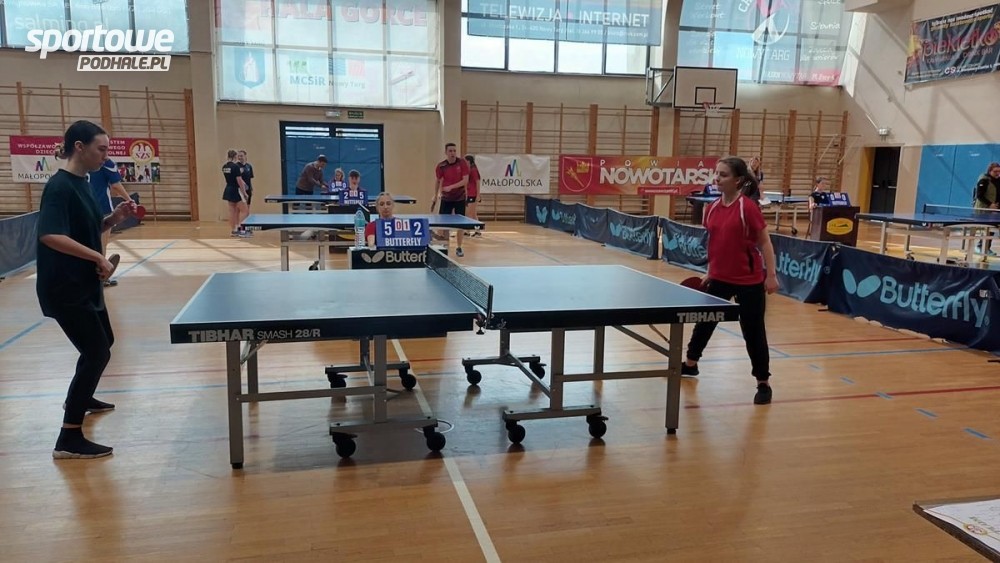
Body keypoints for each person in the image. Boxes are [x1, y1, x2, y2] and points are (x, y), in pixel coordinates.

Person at [37, 120, 139, 459]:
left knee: (103, 342)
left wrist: (112, 220)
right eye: (102, 149)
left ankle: (81, 396)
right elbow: (51, 235)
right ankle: (68, 438)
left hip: (85, 283)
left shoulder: (83, 183)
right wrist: (97, 256)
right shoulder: (59, 187)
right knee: (96, 352)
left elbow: (85, 227)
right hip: (64, 286)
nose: (106, 156)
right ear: (79, 147)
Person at [679, 156, 780, 406]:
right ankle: (690, 364)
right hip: (719, 278)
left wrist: (771, 275)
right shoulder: (711, 208)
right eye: (716, 173)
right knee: (704, 323)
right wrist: (711, 271)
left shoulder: (748, 208)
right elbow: (716, 243)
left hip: (749, 281)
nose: (717, 178)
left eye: (723, 175)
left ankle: (763, 382)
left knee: (753, 332)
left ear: (738, 180)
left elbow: (765, 243)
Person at [87, 157, 131, 287]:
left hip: (83, 207)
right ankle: (100, 277)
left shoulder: (82, 159)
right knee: (101, 244)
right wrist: (129, 200)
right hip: (102, 208)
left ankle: (88, 276)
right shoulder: (106, 162)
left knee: (86, 243)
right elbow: (116, 185)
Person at [433, 143, 470, 257]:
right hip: (446, 198)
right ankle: (446, 246)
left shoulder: (462, 163)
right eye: (450, 151)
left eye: (454, 150)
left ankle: (459, 247)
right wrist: (435, 195)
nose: (453, 153)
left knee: (460, 224)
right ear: (446, 152)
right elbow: (438, 181)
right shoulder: (441, 166)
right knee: (444, 224)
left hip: (460, 197)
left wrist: (451, 187)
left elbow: (465, 181)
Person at [973, 162, 1000, 255]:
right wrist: (990, 204)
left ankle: (985, 247)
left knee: (992, 229)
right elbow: (979, 195)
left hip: (995, 209)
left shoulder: (998, 180)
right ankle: (981, 247)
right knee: (988, 228)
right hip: (984, 209)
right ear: (990, 171)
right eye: (995, 171)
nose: (997, 173)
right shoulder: (983, 180)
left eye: (999, 171)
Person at [222, 150, 250, 237]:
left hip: (228, 189)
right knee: (245, 211)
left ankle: (234, 230)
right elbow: (239, 181)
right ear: (234, 157)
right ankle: (241, 230)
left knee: (232, 212)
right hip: (236, 190)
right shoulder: (235, 167)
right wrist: (244, 193)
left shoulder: (224, 167)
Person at [464, 154, 482, 237]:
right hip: (469, 194)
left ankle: (467, 231)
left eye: (465, 160)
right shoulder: (469, 169)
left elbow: (477, 182)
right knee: (473, 214)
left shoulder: (473, 170)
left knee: (469, 213)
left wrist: (478, 195)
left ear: (468, 161)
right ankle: (477, 231)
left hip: (473, 194)